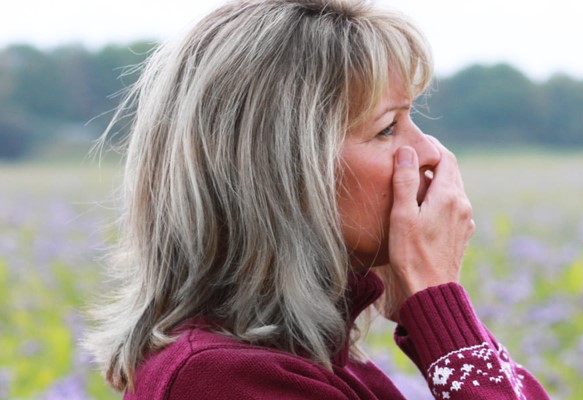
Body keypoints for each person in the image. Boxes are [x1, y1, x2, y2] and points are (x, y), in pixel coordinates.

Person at [85, 0, 550, 398]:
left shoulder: (318, 362)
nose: (429, 152)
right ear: (283, 174)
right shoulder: (225, 379)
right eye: (387, 128)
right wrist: (436, 295)